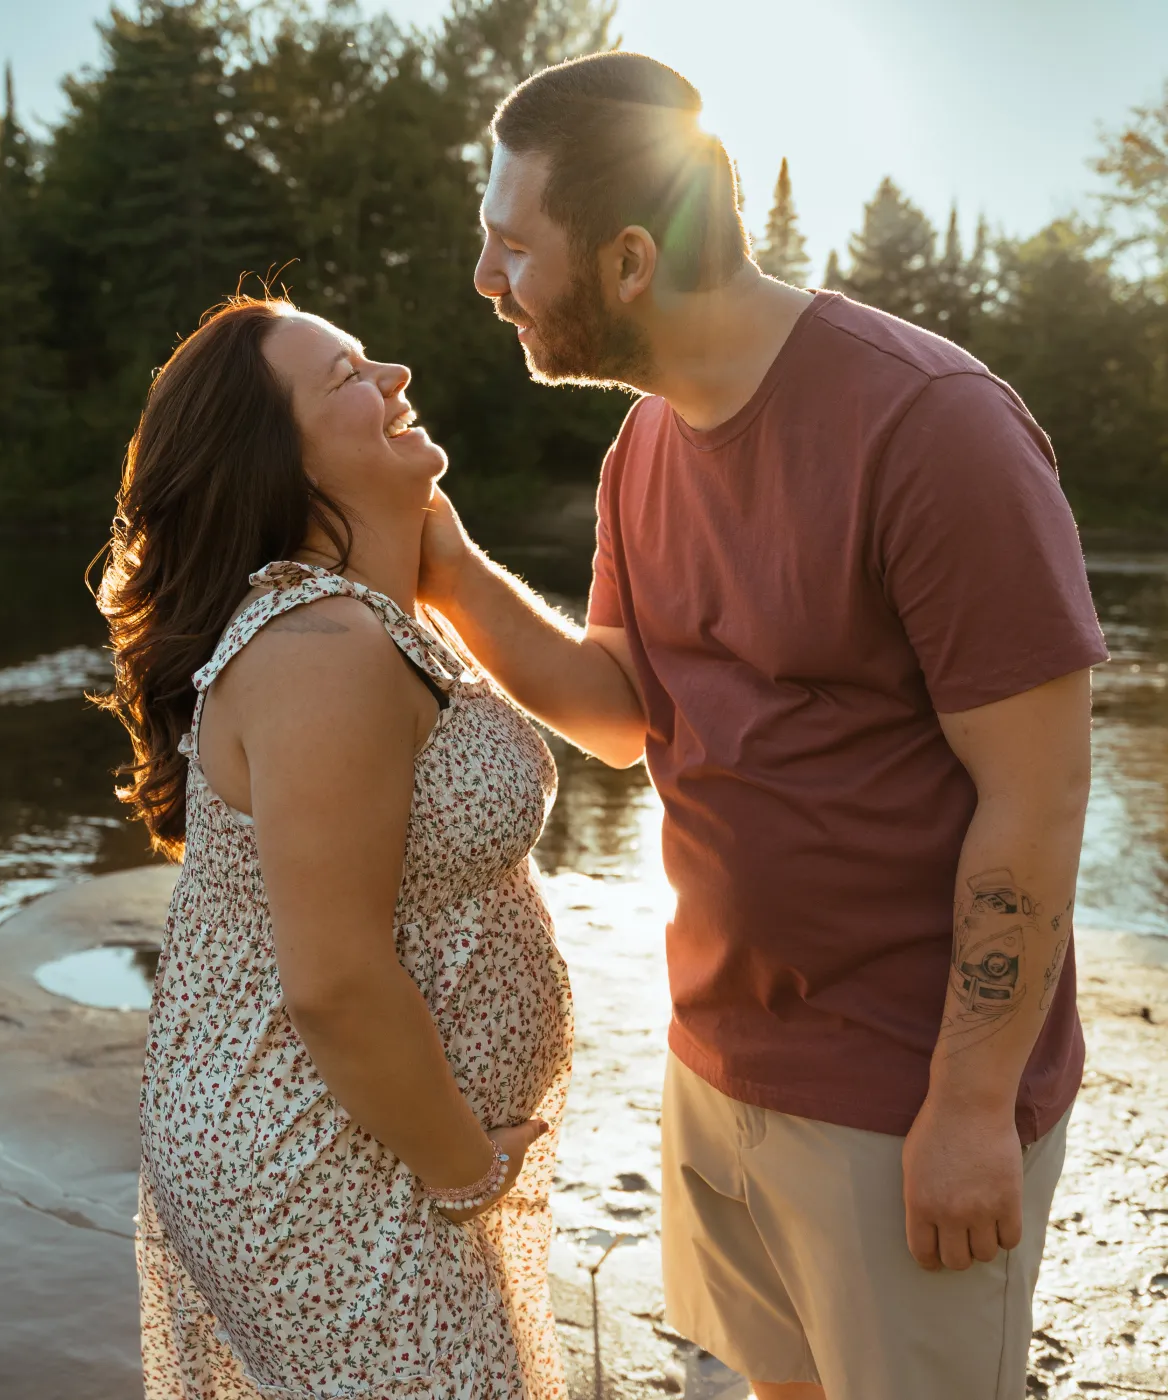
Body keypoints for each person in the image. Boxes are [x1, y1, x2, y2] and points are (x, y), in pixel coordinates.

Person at [414, 52, 1107, 1400]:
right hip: (715, 1069)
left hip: (901, 1099)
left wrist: (971, 1107)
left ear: (626, 262)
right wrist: (442, 570)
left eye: (510, 246)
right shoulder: (645, 449)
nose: (486, 281)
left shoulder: (933, 427)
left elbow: (1040, 795)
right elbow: (622, 717)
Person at [94, 295, 573, 1400]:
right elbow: (338, 981)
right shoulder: (322, 649)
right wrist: (464, 1169)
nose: (398, 374)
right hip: (326, 1155)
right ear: (284, 465)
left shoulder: (367, 618)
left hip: (359, 1135)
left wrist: (434, 555)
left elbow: (623, 720)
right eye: (351, 375)